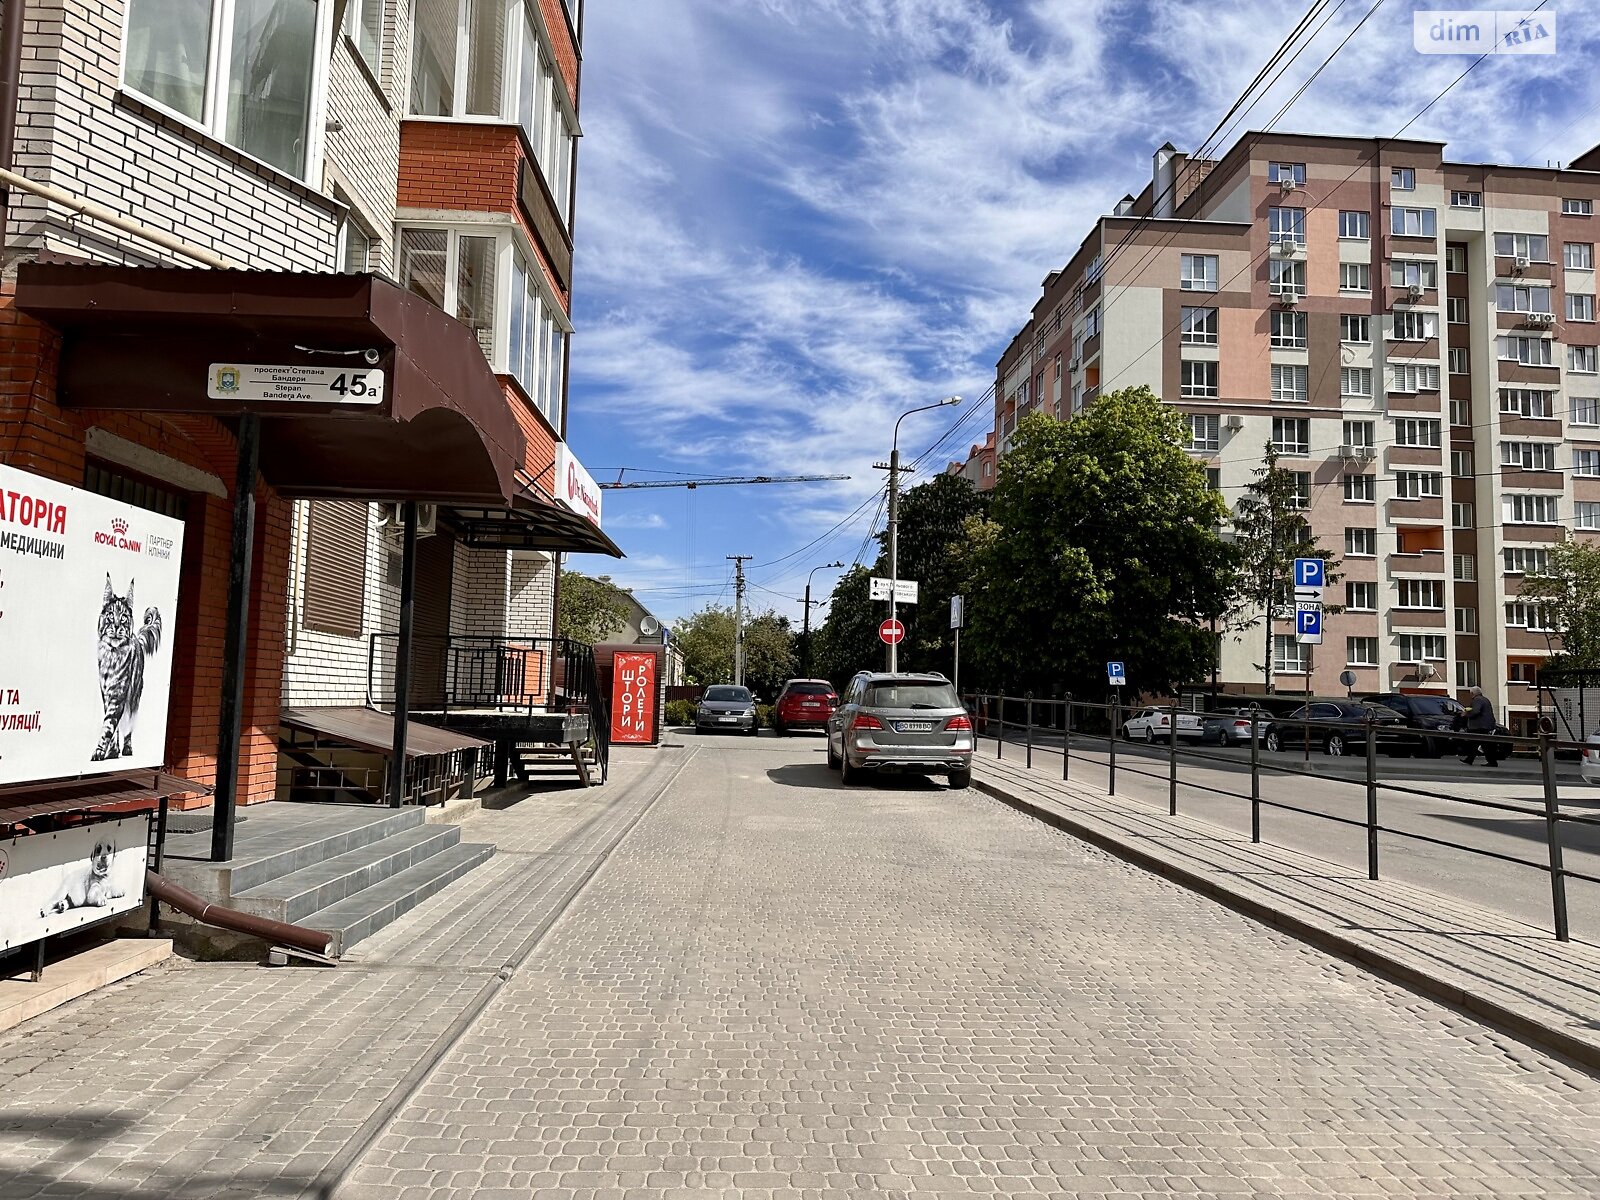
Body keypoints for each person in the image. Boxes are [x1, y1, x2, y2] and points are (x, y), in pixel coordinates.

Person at [1460, 685, 1499, 767]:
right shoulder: (1485, 699)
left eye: (1471, 693)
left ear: (1473, 693)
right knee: (1477, 743)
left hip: (1479, 726)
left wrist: (1466, 714)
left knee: (1480, 744)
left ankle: (1491, 762)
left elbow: (1476, 711)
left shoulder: (1477, 700)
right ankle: (1470, 759)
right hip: (1486, 725)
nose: (1470, 695)